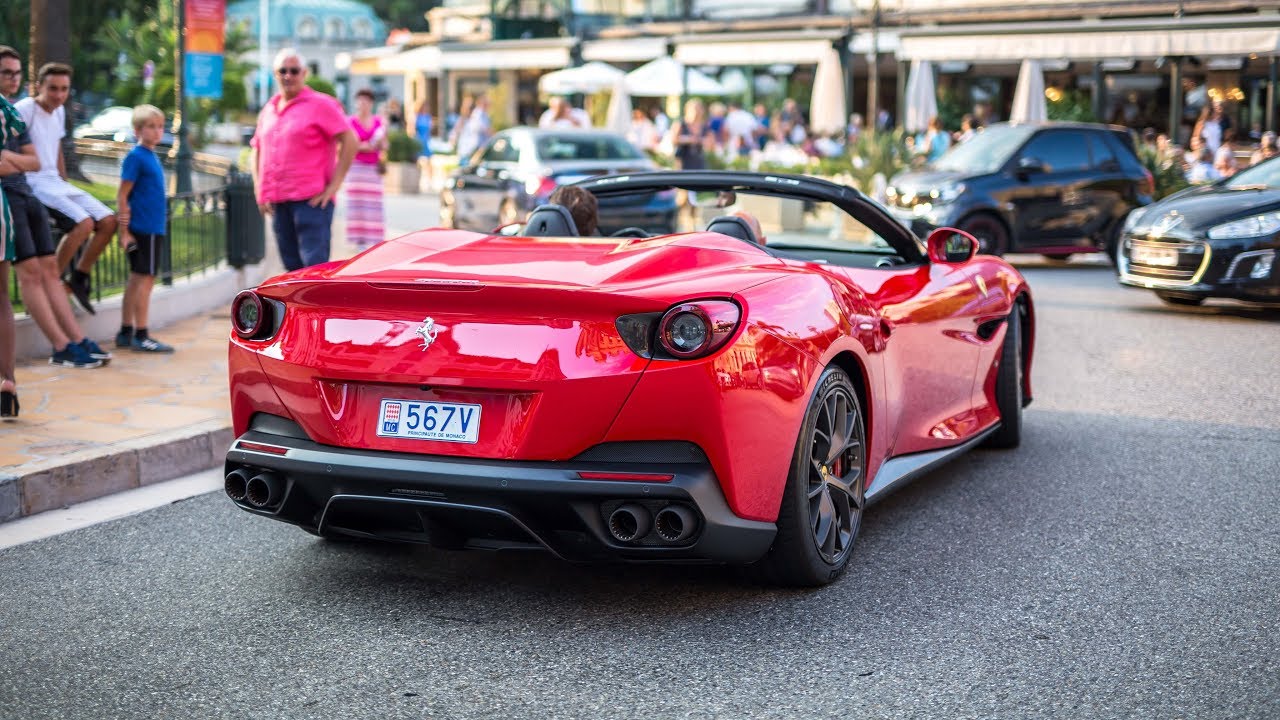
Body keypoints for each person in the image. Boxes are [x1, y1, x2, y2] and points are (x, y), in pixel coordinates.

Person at [1, 48, 105, 371]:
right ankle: (60, 347)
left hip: (26, 193)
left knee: (49, 269)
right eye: (6, 72)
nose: (13, 78)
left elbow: (33, 161)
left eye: (16, 72)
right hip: (7, 200)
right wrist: (19, 163)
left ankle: (74, 339)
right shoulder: (23, 110)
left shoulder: (11, 114)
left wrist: (12, 162)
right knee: (30, 274)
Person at [14, 62, 117, 315]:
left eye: (64, 89)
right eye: (53, 89)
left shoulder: (59, 111)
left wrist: (63, 179)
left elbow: (57, 147)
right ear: (38, 86)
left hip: (56, 182)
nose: (59, 95)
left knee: (108, 221)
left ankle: (79, 277)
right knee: (83, 223)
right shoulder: (23, 110)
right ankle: (51, 283)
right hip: (34, 182)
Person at [251, 49, 357, 272]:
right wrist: (260, 190)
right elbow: (257, 148)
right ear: (275, 74)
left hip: (312, 201)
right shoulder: (269, 109)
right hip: (279, 202)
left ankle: (317, 309)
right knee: (291, 271)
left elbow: (350, 140)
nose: (288, 75)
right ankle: (297, 310)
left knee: (314, 272)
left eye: (294, 70)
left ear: (304, 73)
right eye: (283, 71)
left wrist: (334, 186)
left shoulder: (322, 104)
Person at [115, 105, 174, 353]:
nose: (157, 131)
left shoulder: (151, 156)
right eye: (151, 126)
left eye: (160, 126)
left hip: (152, 228)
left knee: (137, 280)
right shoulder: (136, 157)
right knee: (144, 281)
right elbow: (122, 195)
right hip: (144, 228)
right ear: (137, 130)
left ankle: (126, 331)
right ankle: (142, 334)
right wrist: (124, 231)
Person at [344, 89, 386, 251]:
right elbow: (348, 144)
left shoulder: (378, 122)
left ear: (371, 103)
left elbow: (384, 144)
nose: (363, 104)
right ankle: (359, 240)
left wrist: (380, 143)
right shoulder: (351, 122)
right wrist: (365, 146)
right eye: (360, 101)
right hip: (356, 168)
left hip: (372, 169)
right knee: (357, 204)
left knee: (374, 205)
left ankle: (374, 240)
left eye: (366, 101)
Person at [669, 99, 709, 171]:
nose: (697, 112)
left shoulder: (704, 125)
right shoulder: (680, 123)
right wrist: (688, 140)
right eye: (695, 109)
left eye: (699, 109)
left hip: (699, 160)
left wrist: (702, 141)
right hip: (682, 160)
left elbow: (711, 143)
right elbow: (673, 139)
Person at [455, 94, 491, 160]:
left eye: (469, 107)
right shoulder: (463, 119)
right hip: (466, 152)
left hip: (473, 151)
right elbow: (456, 133)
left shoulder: (475, 118)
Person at [414, 99, 433, 189]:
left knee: (429, 161)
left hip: (426, 140)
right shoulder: (417, 116)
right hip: (418, 140)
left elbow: (429, 130)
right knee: (417, 161)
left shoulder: (428, 117)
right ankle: (417, 179)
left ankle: (430, 181)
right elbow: (413, 129)